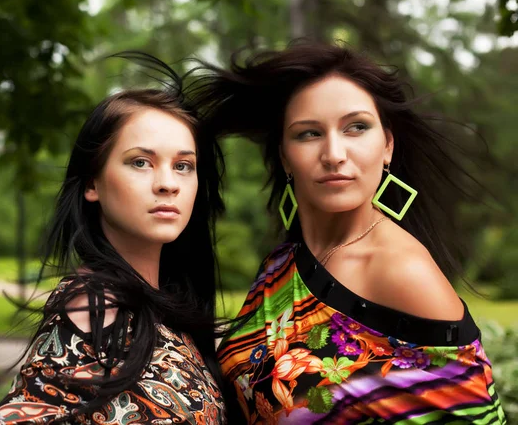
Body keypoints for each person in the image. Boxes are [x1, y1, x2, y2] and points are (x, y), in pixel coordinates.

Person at [189, 43, 506, 424]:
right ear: (285, 156)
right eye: (308, 134)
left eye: (356, 127)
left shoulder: (401, 270)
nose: (334, 153)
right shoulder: (282, 261)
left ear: (387, 145)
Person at [0, 54, 227, 424]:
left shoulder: (165, 305)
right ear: (92, 183)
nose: (168, 183)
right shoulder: (94, 306)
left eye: (183, 166)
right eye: (140, 162)